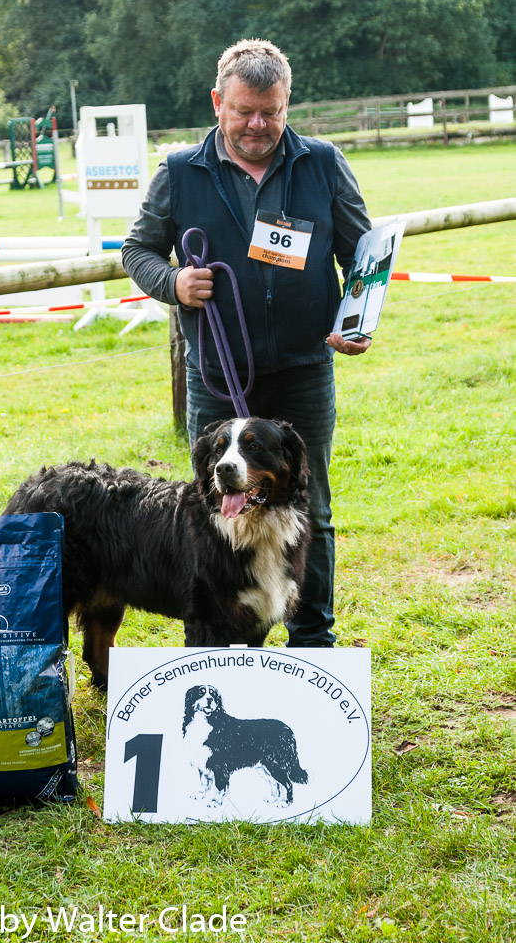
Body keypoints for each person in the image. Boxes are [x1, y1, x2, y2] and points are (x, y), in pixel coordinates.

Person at [122, 38, 371, 647]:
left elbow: (362, 253)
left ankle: (312, 643)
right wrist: (173, 283)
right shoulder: (180, 172)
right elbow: (137, 251)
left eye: (271, 112)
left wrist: (356, 316)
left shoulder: (322, 163)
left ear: (287, 104)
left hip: (302, 371)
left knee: (310, 511)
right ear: (218, 102)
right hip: (217, 376)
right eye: (243, 112)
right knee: (214, 512)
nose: (257, 125)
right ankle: (220, 644)